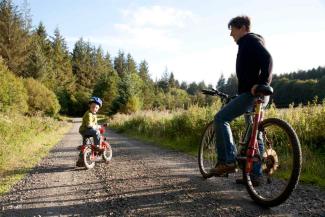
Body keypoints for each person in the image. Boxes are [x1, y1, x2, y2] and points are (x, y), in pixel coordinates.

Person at [209, 15, 273, 186]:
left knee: (221, 118)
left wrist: (262, 83)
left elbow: (267, 59)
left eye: (233, 29)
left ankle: (227, 160)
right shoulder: (250, 42)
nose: (231, 35)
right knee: (255, 132)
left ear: (243, 28)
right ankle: (254, 175)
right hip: (258, 94)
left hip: (252, 94)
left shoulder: (249, 40)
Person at [76, 96, 103, 167]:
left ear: (98, 108)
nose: (94, 109)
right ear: (89, 106)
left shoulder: (94, 114)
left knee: (85, 145)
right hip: (85, 130)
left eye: (96, 107)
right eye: (93, 107)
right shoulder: (89, 114)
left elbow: (95, 123)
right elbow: (89, 125)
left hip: (85, 130)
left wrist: (97, 125)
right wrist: (97, 127)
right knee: (96, 132)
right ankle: (97, 146)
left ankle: (80, 160)